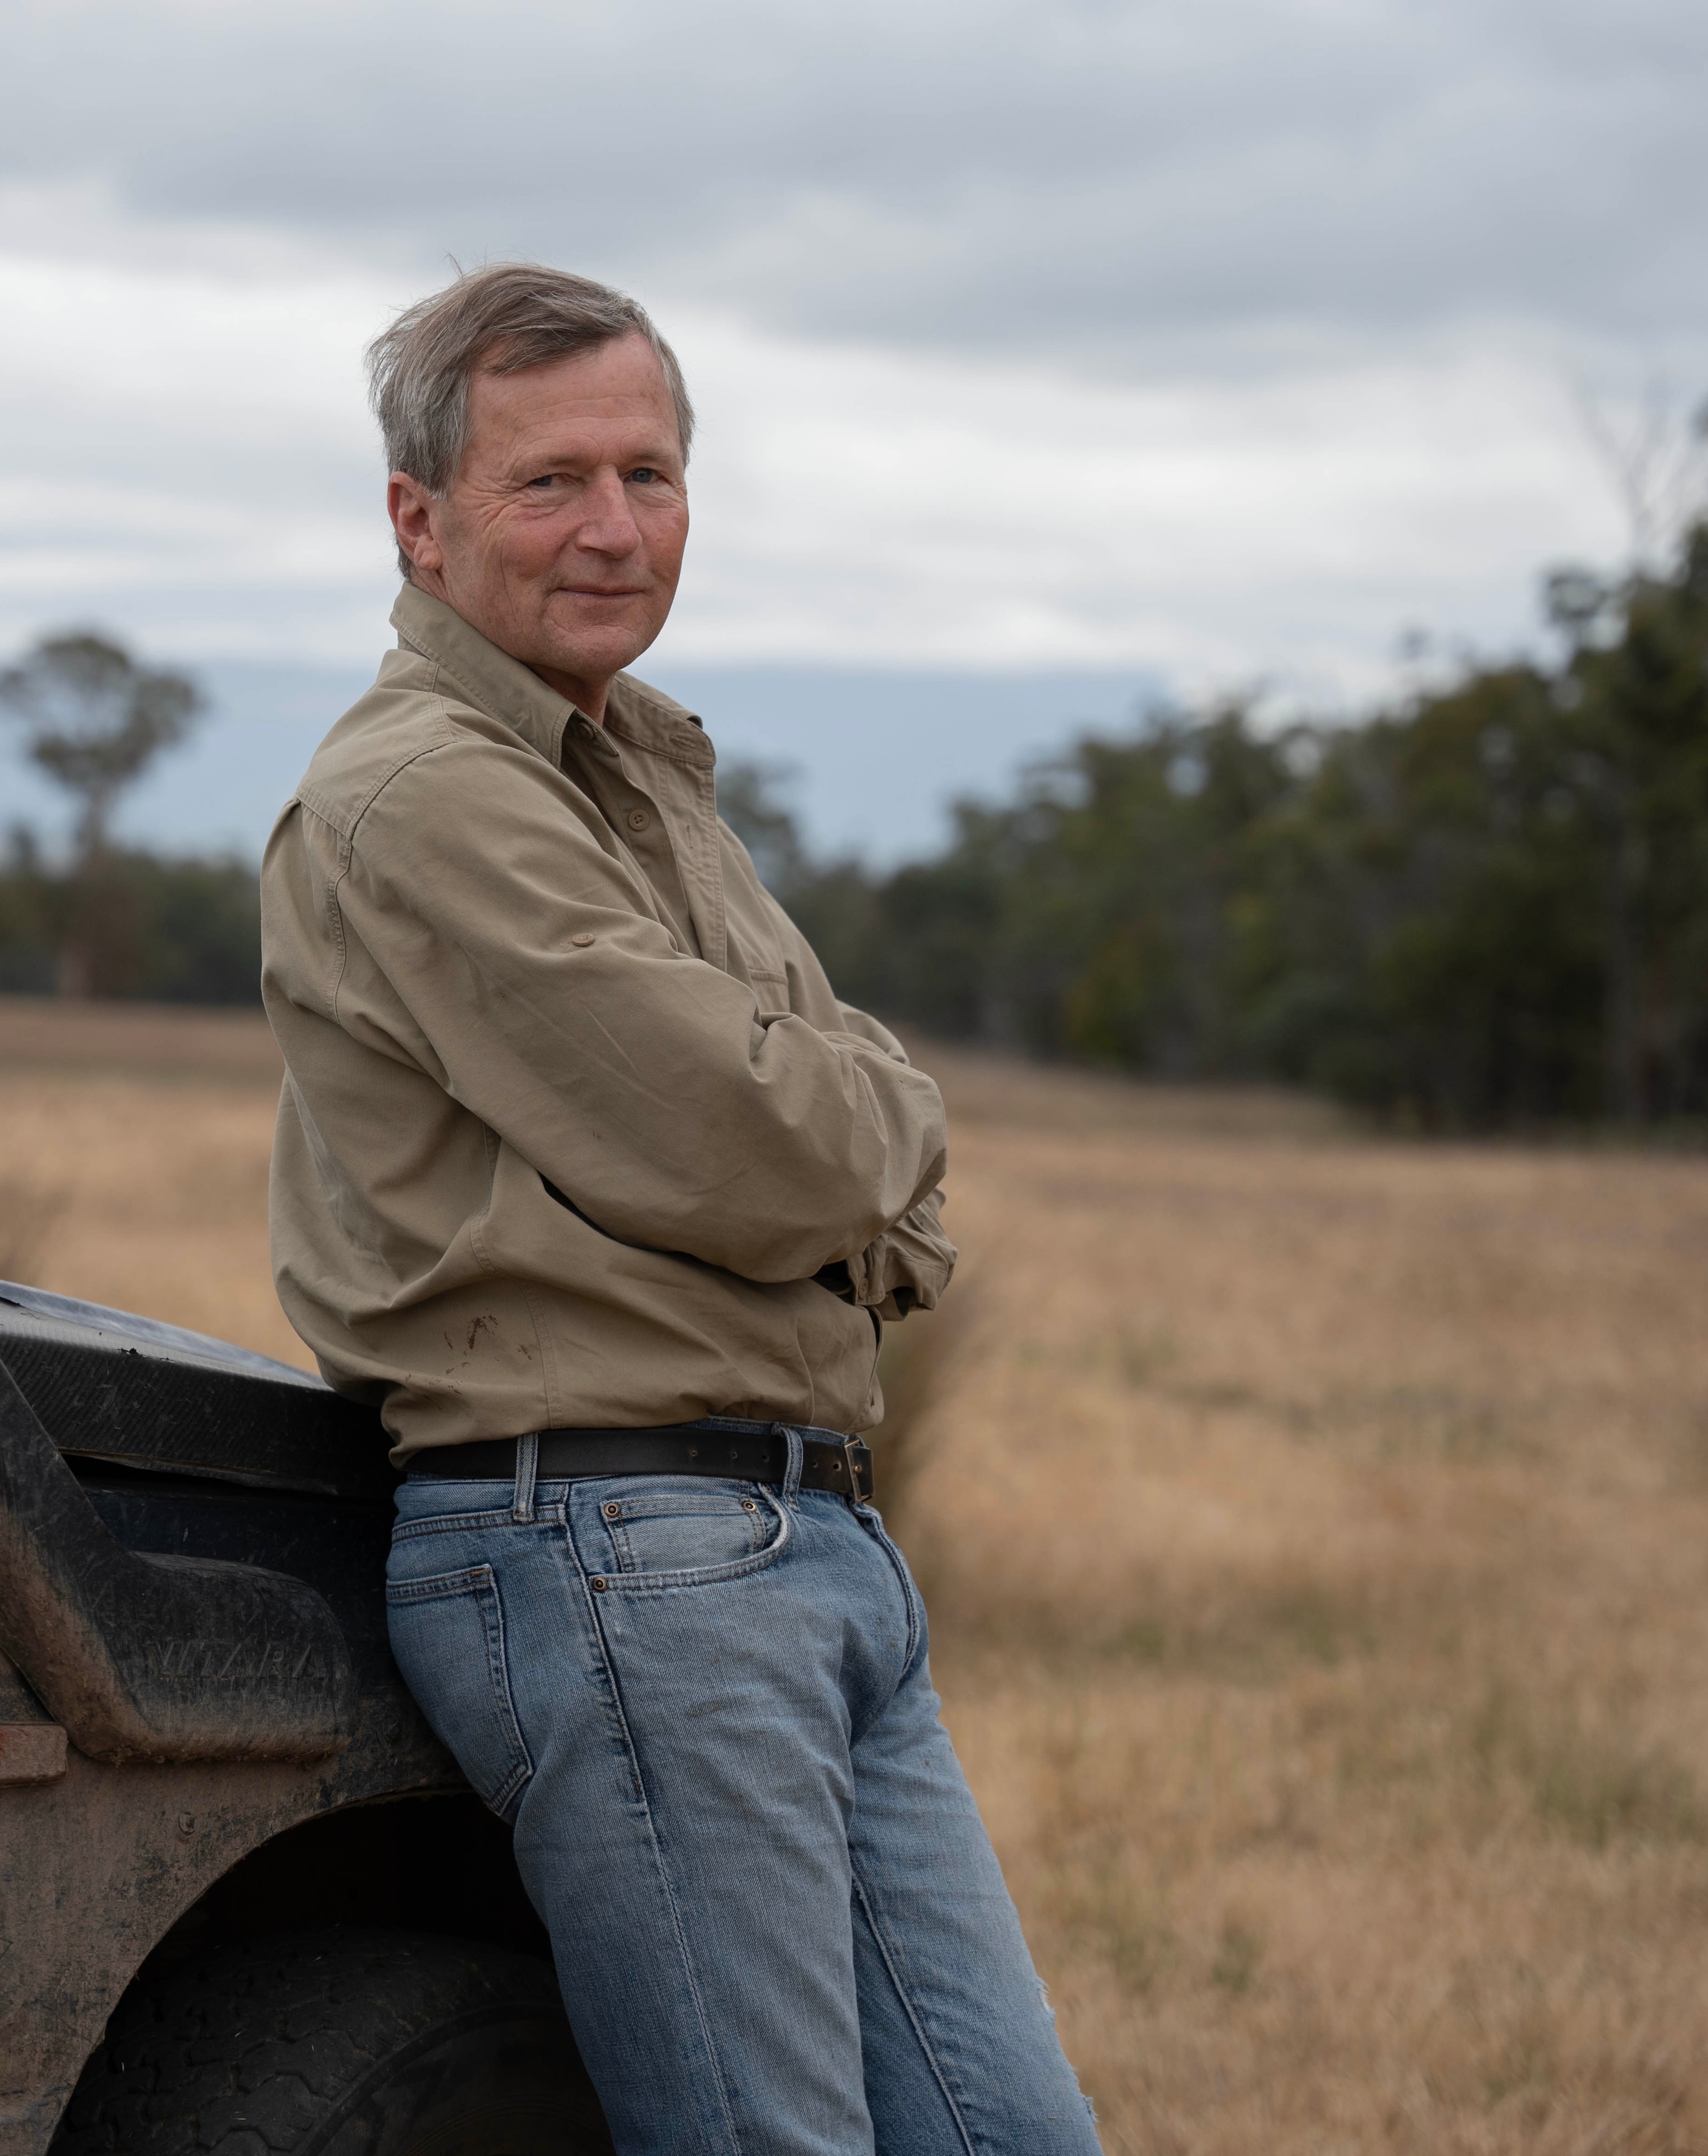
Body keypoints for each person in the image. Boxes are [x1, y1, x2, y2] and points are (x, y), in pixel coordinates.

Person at [259, 263, 1101, 2156]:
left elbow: (818, 1110)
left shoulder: (636, 771)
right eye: (549, 481)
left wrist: (851, 1128)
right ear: (421, 517)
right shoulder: (421, 800)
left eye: (648, 474)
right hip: (617, 1547)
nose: (614, 529)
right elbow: (765, 1134)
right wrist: (870, 1132)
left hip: (795, 1538)